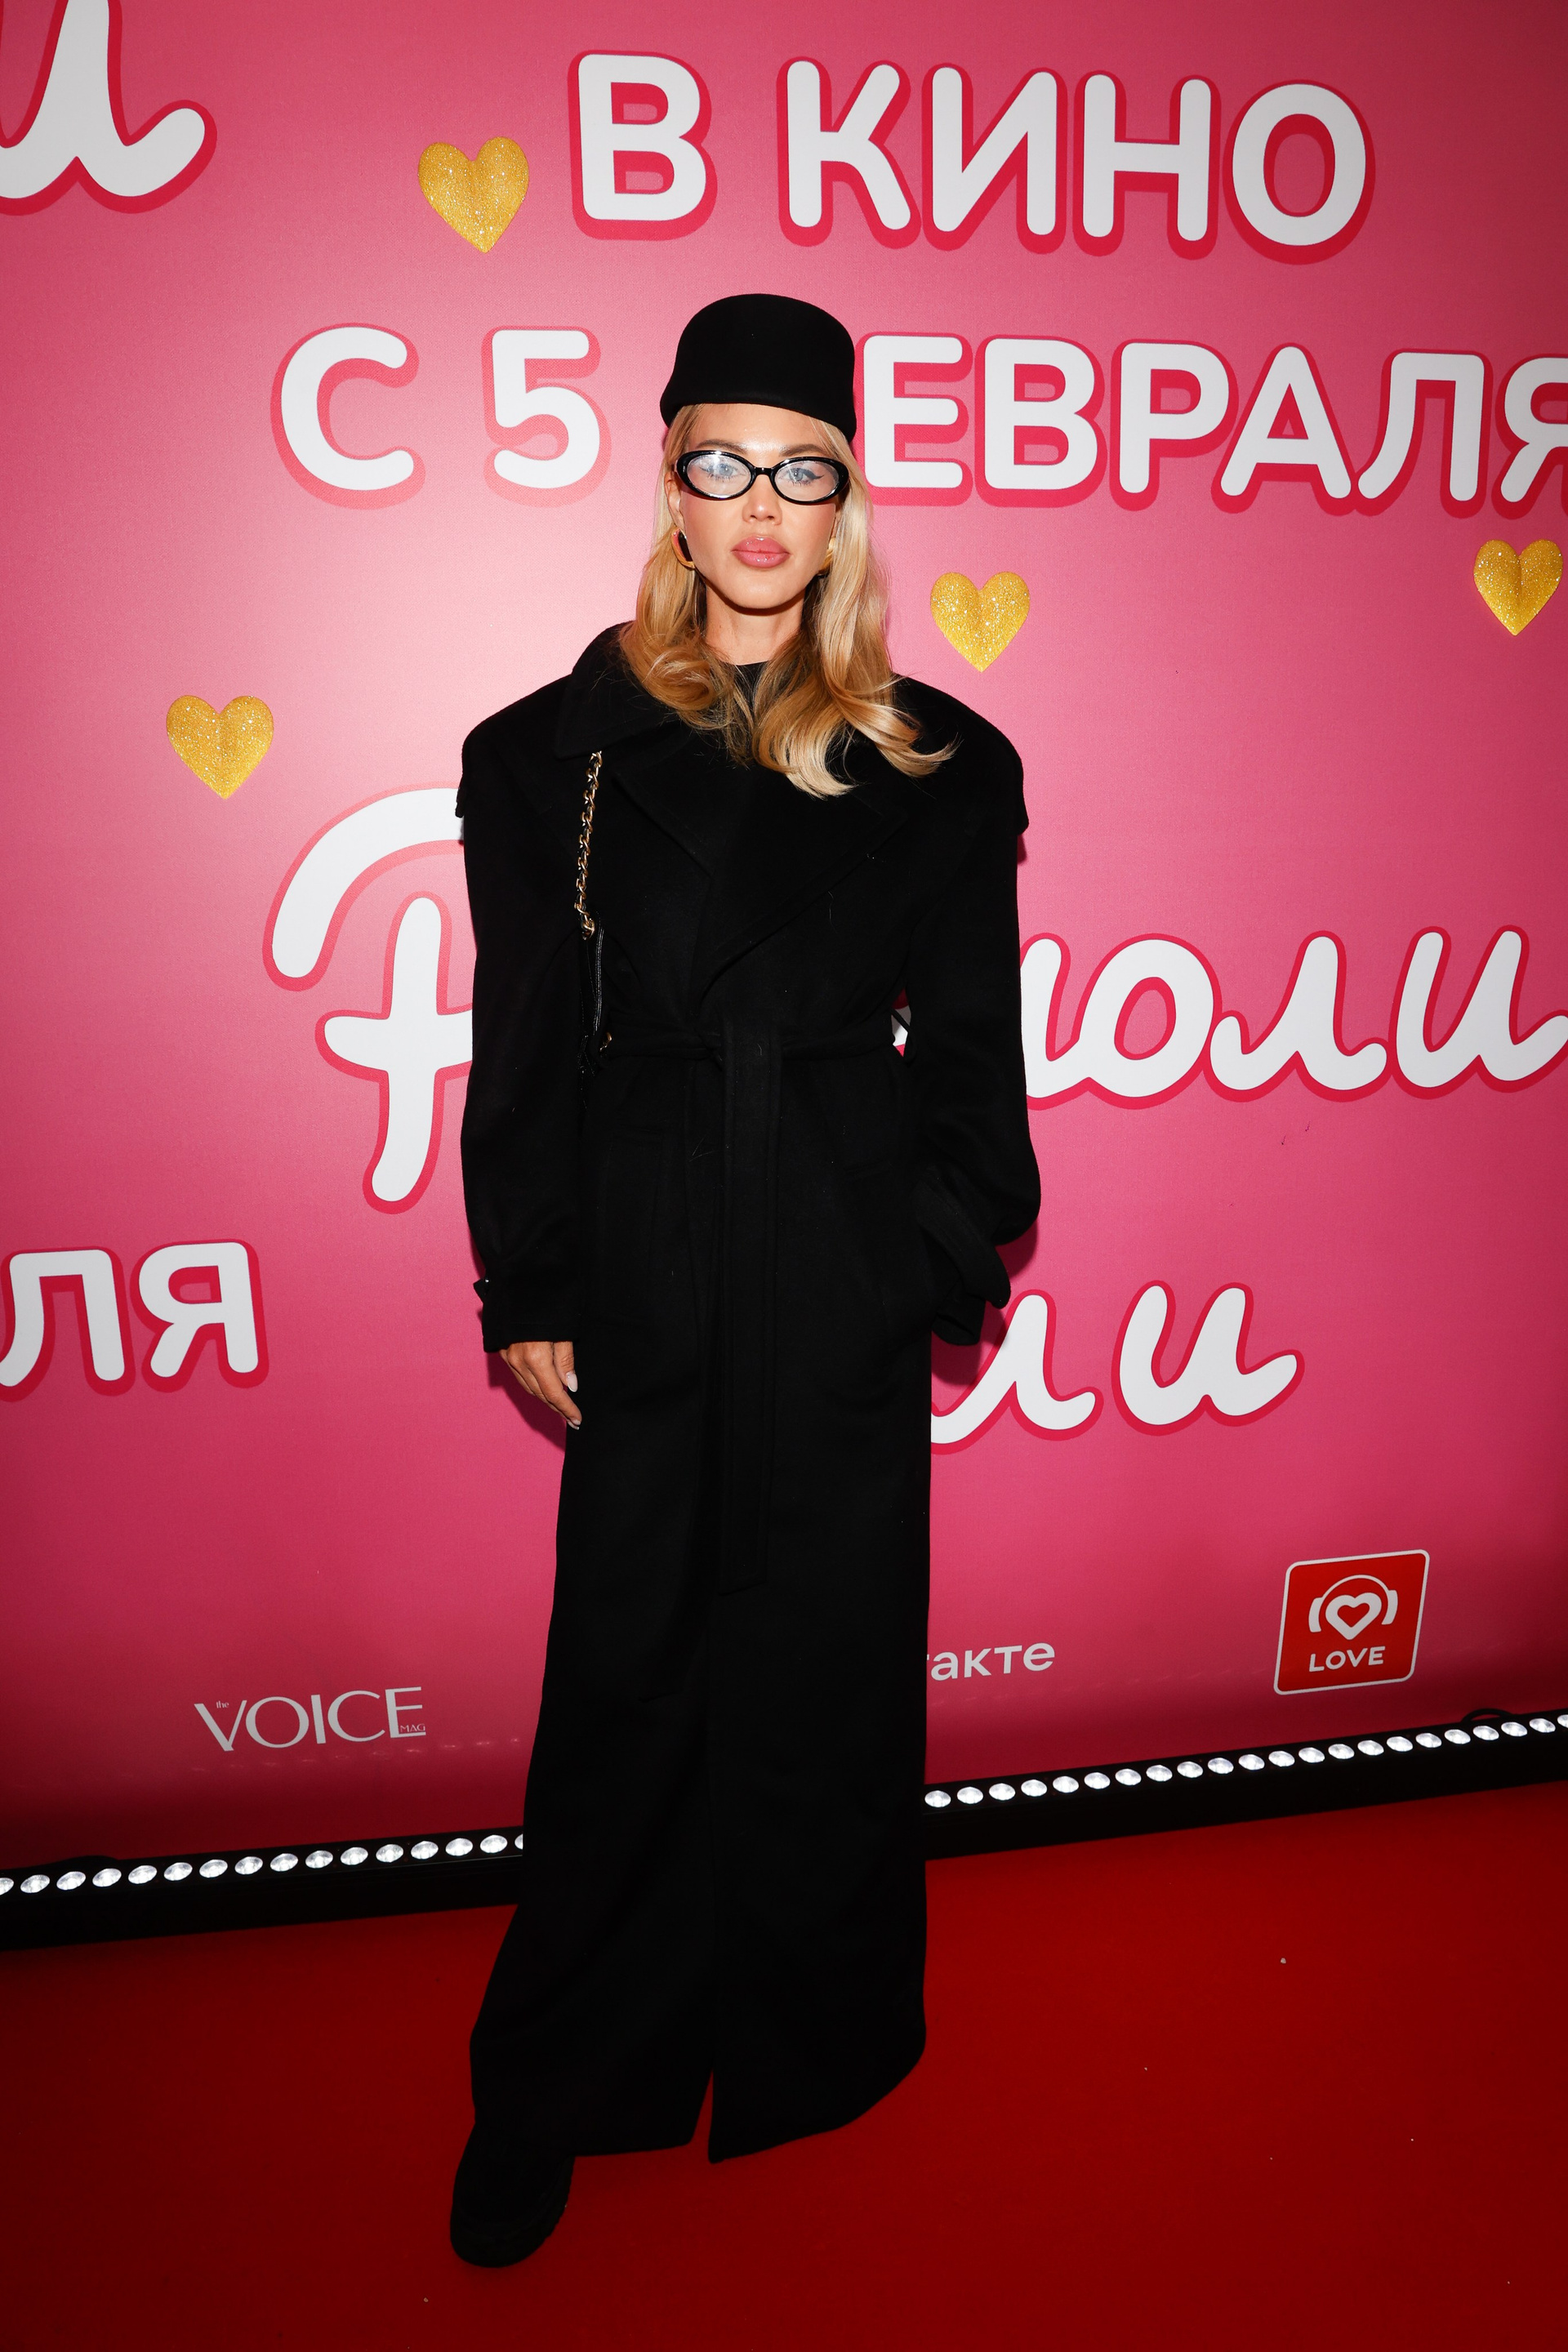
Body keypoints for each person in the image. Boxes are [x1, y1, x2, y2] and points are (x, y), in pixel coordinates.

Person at [451, 292, 1040, 2265]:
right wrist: (532, 1275)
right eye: (723, 462)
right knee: (624, 1674)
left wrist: (918, 1255)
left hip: (836, 1261)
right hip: (644, 1257)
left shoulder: (941, 763)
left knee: (825, 1669)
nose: (763, 505)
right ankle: (557, 2082)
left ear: (848, 496)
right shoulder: (550, 756)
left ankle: (813, 2032)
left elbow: (976, 1072)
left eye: (803, 469)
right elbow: (523, 1049)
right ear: (672, 482)